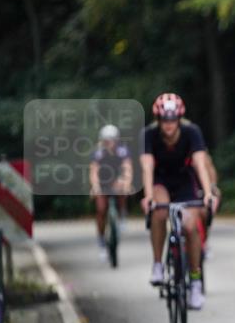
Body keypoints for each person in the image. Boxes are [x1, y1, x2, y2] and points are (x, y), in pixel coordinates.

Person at [139, 93, 218, 309]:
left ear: (179, 119)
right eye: (164, 120)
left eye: (173, 120)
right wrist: (147, 196)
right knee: (159, 212)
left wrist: (208, 192)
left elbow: (201, 163)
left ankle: (194, 282)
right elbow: (147, 166)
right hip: (160, 181)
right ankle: (157, 265)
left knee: (191, 227)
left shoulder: (192, 132)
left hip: (185, 182)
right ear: (158, 120)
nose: (168, 125)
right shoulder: (149, 135)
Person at [89, 124, 133, 261]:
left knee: (122, 191)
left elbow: (127, 168)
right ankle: (102, 240)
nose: (109, 143)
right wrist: (95, 186)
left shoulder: (122, 151)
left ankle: (122, 213)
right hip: (102, 183)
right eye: (106, 140)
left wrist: (126, 182)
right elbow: (94, 171)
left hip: (116, 180)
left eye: (112, 140)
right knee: (101, 209)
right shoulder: (98, 152)